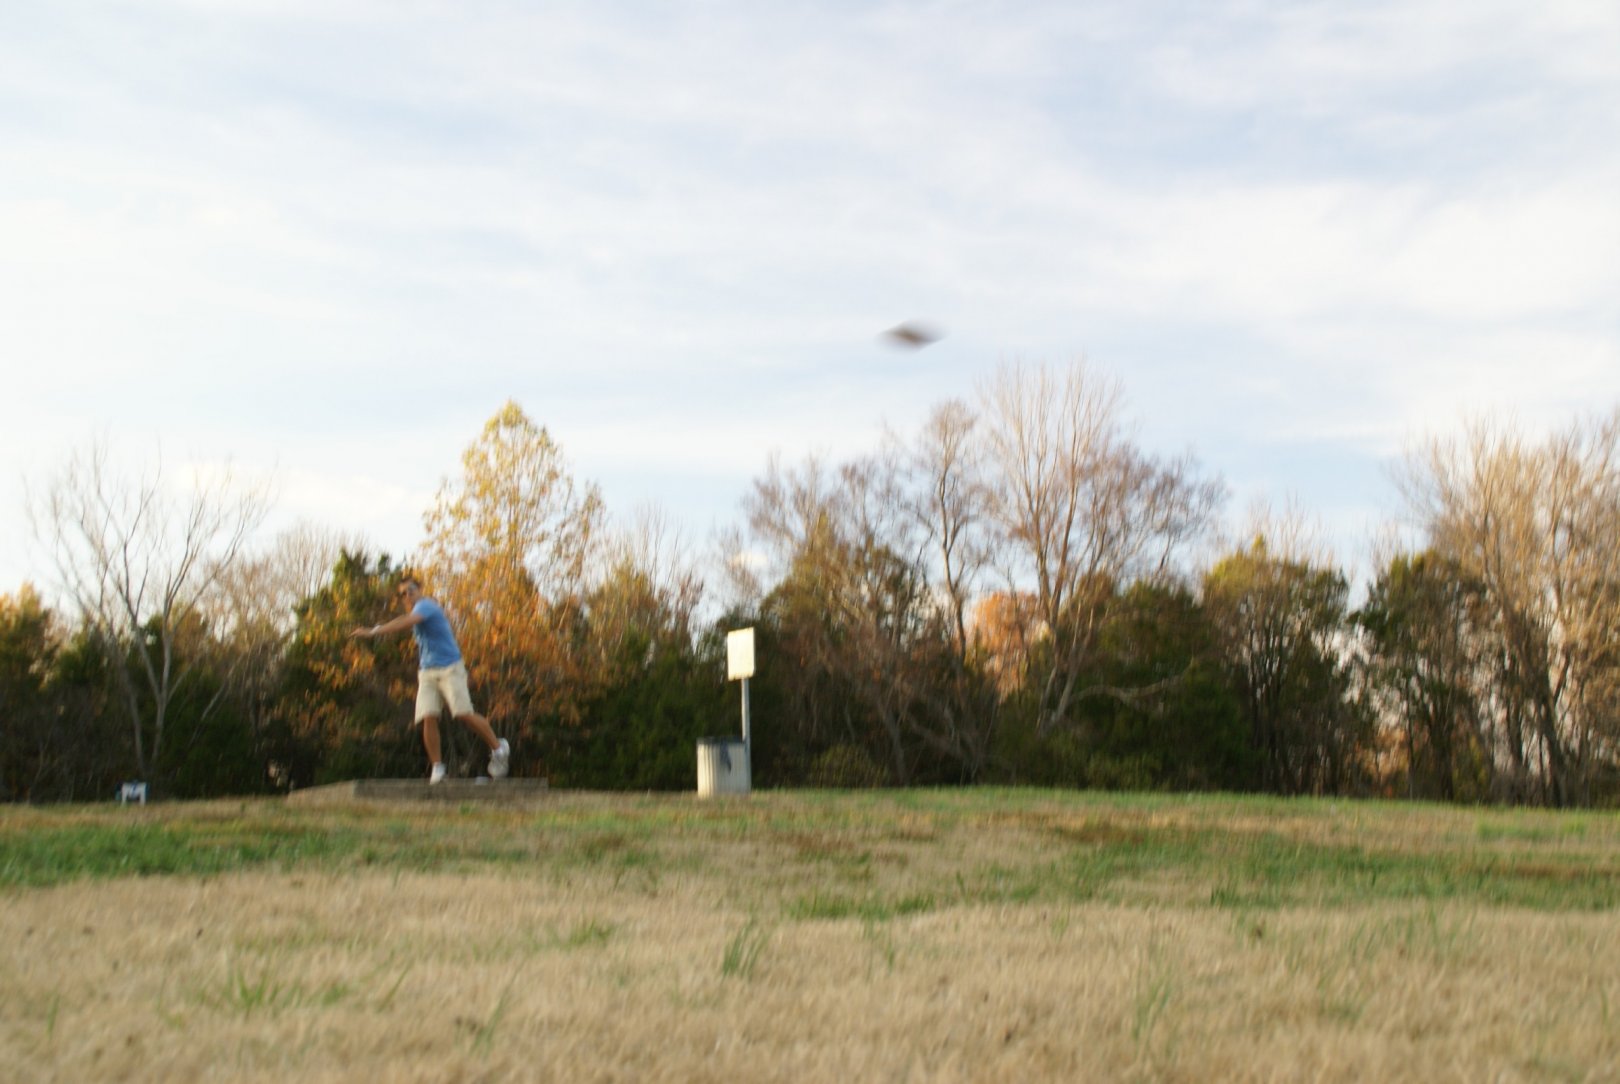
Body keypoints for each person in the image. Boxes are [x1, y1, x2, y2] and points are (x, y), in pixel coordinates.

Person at [352, 576, 510, 784]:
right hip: (427, 672)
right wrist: (378, 627)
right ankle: (437, 768)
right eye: (403, 594)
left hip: (450, 668)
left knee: (463, 713)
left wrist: (373, 631)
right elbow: (402, 620)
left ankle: (498, 748)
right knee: (428, 715)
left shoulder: (427, 605)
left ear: (419, 591)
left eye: (411, 590)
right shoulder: (414, 612)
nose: (407, 595)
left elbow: (407, 622)